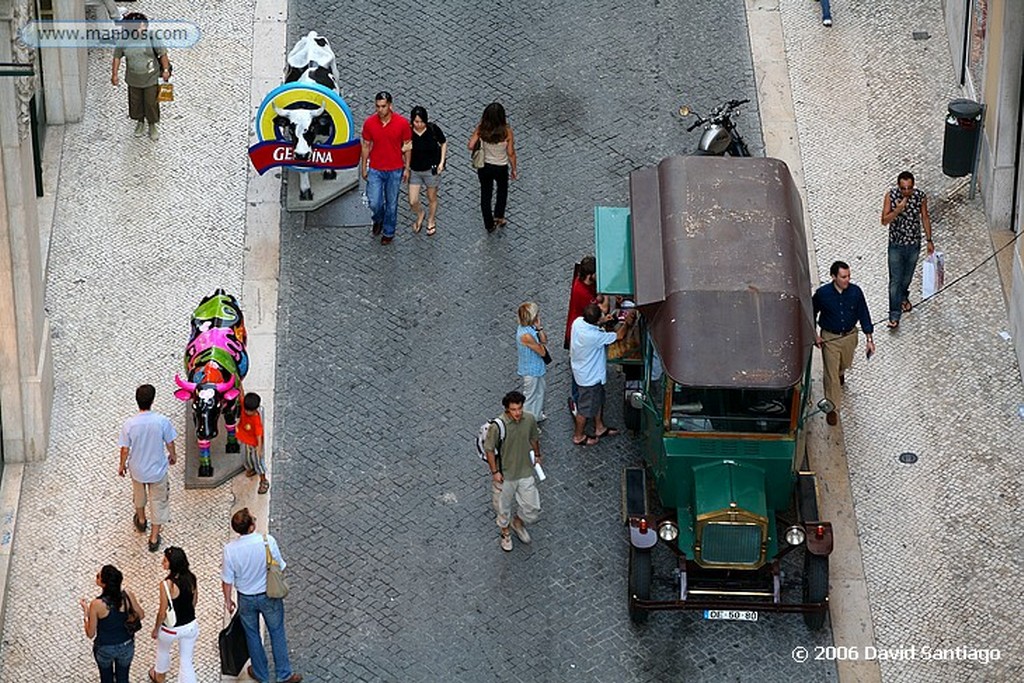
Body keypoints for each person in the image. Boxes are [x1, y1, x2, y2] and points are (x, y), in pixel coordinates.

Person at [222, 508, 302, 683]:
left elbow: (227, 580)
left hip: (245, 598)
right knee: (277, 632)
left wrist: (228, 601)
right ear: (251, 526)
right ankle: (284, 674)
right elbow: (280, 566)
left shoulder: (230, 550)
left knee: (252, 635)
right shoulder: (267, 541)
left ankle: (261, 673)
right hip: (269, 595)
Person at [812, 261, 876, 426]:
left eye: (848, 276)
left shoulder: (856, 292)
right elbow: (811, 312)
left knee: (845, 363)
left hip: (849, 336)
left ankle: (841, 371)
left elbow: (864, 314)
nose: (847, 280)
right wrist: (814, 334)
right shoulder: (822, 294)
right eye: (843, 277)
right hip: (830, 338)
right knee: (831, 376)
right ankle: (832, 408)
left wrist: (869, 339)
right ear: (833, 277)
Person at [118, 384, 178, 552]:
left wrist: (122, 465)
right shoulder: (161, 421)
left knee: (139, 495)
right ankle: (153, 538)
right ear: (153, 400)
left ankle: (142, 520)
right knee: (158, 500)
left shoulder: (129, 424)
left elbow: (124, 449)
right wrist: (173, 456)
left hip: (137, 469)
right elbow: (170, 442)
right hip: (157, 469)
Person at [483, 391, 542, 552]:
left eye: (519, 409)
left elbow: (534, 438)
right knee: (502, 509)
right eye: (513, 409)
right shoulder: (498, 426)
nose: (517, 413)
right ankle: (505, 533)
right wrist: (495, 472)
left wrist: (537, 454)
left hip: (525, 471)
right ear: (507, 409)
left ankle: (517, 522)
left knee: (532, 508)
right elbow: (489, 450)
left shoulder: (529, 419)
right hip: (505, 475)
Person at [570, 303, 633, 446]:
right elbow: (619, 335)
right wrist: (627, 324)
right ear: (597, 320)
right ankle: (578, 436)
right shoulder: (593, 336)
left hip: (585, 371)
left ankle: (600, 427)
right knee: (584, 410)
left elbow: (595, 325)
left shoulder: (578, 323)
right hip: (589, 378)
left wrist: (602, 321)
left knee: (599, 400)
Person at [881, 170, 934, 329]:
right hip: (896, 245)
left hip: (913, 244)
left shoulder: (920, 197)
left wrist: (929, 240)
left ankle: (903, 297)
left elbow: (925, 217)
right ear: (898, 186)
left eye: (909, 188)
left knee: (906, 278)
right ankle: (894, 315)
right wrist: (897, 210)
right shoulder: (891, 196)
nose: (906, 191)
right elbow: (884, 221)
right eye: (903, 188)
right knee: (895, 281)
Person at [360, 91, 411, 245]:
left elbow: (407, 146)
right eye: (377, 106)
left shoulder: (402, 123)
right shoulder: (369, 123)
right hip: (375, 168)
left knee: (392, 203)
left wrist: (407, 168)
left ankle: (389, 231)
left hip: (395, 169)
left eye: (383, 106)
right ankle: (378, 219)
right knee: (374, 201)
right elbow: (366, 146)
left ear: (390, 106)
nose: (379, 110)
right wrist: (363, 167)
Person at [111, 12, 170, 141]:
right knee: (135, 101)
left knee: (151, 102)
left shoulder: (152, 37)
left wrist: (165, 70)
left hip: (151, 77)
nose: (144, 27)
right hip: (133, 78)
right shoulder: (124, 40)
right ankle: (140, 121)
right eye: (141, 25)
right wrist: (114, 74)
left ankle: (152, 124)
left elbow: (163, 54)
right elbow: (117, 57)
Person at [80, 564, 144, 683]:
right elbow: (141, 615)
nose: (97, 576)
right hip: (126, 644)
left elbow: (90, 633)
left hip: (105, 647)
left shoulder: (97, 604)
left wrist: (86, 615)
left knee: (106, 679)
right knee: (123, 678)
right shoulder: (127, 595)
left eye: (98, 576)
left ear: (103, 584)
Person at [149, 547, 199, 683]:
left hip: (170, 629)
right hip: (190, 626)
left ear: (173, 564)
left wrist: (156, 629)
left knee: (163, 650)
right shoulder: (192, 578)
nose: (162, 562)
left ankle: (159, 677)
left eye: (165, 560)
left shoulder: (166, 585)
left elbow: (162, 611)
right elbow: (194, 602)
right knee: (186, 661)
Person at [467, 102, 518, 232]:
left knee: (486, 193)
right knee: (502, 191)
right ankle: (499, 216)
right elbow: (511, 153)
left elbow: (470, 145)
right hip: (500, 166)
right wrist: (514, 169)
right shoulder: (507, 132)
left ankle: (489, 225)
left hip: (484, 166)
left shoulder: (481, 129)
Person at [406, 106, 447, 236]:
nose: (418, 125)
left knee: (431, 197)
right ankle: (420, 214)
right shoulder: (408, 132)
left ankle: (431, 220)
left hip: (431, 170)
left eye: (421, 122)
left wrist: (441, 162)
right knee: (412, 200)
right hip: (415, 170)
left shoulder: (432, 130)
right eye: (416, 122)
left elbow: (443, 142)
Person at [516, 302, 548, 422]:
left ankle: (537, 416)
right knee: (530, 398)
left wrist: (539, 328)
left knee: (540, 392)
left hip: (538, 367)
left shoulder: (531, 327)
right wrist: (541, 344)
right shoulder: (526, 335)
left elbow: (544, 340)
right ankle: (527, 423)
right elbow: (542, 351)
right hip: (530, 370)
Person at [238, 392, 269, 494]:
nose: (246, 412)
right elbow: (241, 393)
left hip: (253, 443)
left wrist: (259, 448)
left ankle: (263, 480)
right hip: (244, 438)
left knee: (258, 462)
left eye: (249, 411)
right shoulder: (244, 403)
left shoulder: (256, 420)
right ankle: (251, 469)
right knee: (246, 458)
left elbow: (259, 435)